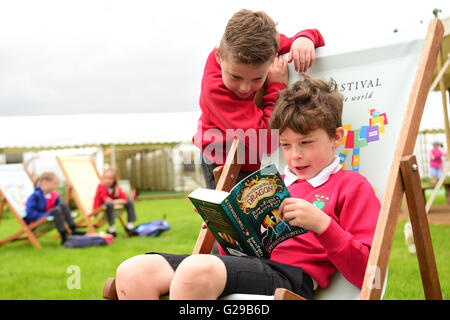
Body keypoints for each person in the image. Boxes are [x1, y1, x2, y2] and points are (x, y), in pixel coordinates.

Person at [113, 75, 380, 300]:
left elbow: (369, 274)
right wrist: (225, 229)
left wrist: (323, 226)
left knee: (196, 272)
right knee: (134, 271)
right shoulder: (272, 184)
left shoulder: (351, 186)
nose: (295, 155)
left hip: (291, 279)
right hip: (250, 266)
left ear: (336, 138)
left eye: (306, 143)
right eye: (286, 145)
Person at [193, 9, 325, 189]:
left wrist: (305, 38)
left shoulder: (263, 46)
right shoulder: (216, 91)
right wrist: (276, 87)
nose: (245, 88)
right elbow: (266, 141)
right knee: (237, 216)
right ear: (219, 56)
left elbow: (303, 40)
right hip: (226, 163)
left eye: (257, 79)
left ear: (271, 59)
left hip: (255, 158)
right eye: (235, 77)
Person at [25, 172, 85, 245]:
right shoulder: (34, 196)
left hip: (52, 216)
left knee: (64, 205)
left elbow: (59, 208)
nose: (56, 186)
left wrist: (59, 214)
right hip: (37, 222)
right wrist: (46, 216)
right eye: (54, 183)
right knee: (56, 210)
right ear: (44, 182)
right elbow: (30, 213)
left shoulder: (53, 196)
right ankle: (64, 238)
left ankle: (73, 229)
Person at [93, 168, 137, 237]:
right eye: (105, 178)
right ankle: (111, 229)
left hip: (111, 208)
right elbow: (107, 200)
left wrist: (115, 201)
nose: (107, 180)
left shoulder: (117, 188)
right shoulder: (101, 187)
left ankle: (129, 227)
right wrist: (118, 201)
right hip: (99, 210)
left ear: (114, 180)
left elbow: (125, 199)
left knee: (130, 202)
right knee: (109, 204)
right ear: (102, 178)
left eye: (110, 178)